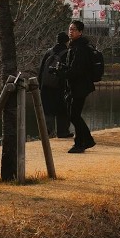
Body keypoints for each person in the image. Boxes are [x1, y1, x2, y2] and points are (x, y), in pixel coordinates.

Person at [59, 20, 97, 153]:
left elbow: (77, 69)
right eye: (70, 29)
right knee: (73, 114)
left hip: (80, 86)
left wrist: (63, 73)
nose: (71, 31)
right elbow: (73, 67)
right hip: (76, 86)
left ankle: (84, 141)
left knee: (74, 115)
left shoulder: (80, 48)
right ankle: (81, 142)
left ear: (80, 32)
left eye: (74, 29)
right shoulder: (75, 46)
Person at [38, 32, 72, 139]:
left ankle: (48, 134)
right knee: (62, 110)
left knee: (48, 111)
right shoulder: (68, 53)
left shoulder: (49, 52)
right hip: (60, 87)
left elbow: (41, 70)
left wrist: (40, 85)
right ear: (67, 41)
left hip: (46, 86)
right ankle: (62, 132)